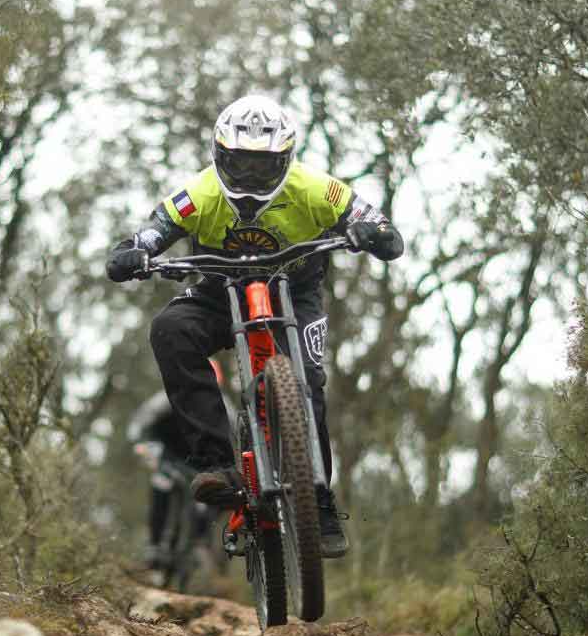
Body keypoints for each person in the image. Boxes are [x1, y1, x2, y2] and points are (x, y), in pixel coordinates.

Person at [106, 94, 403, 558]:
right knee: (170, 329)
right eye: (237, 164)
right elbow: (155, 228)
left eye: (261, 167)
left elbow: (379, 225)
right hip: (218, 291)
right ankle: (218, 464)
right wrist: (135, 250)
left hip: (294, 290)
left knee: (311, 380)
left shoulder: (315, 187)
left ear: (286, 160)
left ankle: (319, 498)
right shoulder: (200, 193)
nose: (247, 176)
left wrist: (375, 233)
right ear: (219, 155)